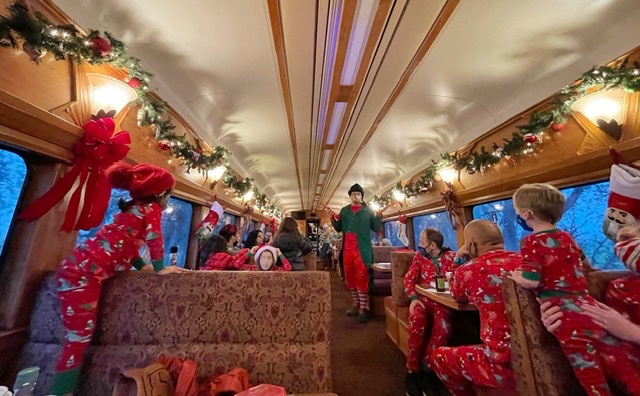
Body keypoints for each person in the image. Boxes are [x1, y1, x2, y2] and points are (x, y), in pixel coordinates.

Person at [50, 162, 186, 395]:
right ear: (161, 194)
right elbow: (154, 237)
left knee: (77, 339)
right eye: (169, 195)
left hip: (75, 270)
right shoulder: (150, 210)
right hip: (83, 275)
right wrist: (160, 269)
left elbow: (126, 247)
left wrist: (143, 267)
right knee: (77, 340)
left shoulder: (132, 210)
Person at [508, 183, 640, 395]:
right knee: (619, 360)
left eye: (518, 213)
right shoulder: (566, 237)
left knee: (587, 369)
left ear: (526, 213)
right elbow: (583, 264)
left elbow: (532, 280)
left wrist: (516, 276)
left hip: (562, 310)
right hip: (584, 302)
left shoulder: (531, 242)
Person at [429, 220, 519, 396]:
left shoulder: (469, 270)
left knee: (438, 357)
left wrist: (457, 261)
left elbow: (456, 295)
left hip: (503, 363)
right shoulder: (527, 263)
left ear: (470, 244)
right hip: (540, 356)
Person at [403, 228, 456, 395]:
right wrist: (412, 298)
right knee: (417, 320)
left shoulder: (451, 258)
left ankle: (428, 368)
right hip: (422, 300)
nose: (419, 246)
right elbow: (408, 278)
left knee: (443, 327)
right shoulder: (419, 257)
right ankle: (412, 370)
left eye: (421, 243)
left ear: (432, 245)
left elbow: (458, 279)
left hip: (442, 302)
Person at [329, 183, 387, 323]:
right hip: (347, 249)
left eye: (359, 194)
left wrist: (379, 217)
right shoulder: (344, 211)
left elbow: (376, 228)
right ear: (350, 196)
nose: (356, 196)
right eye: (354, 193)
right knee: (350, 277)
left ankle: (363, 309)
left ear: (361, 196)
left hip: (362, 249)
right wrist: (332, 218)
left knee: (362, 277)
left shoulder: (368, 211)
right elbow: (339, 228)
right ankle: (356, 304)